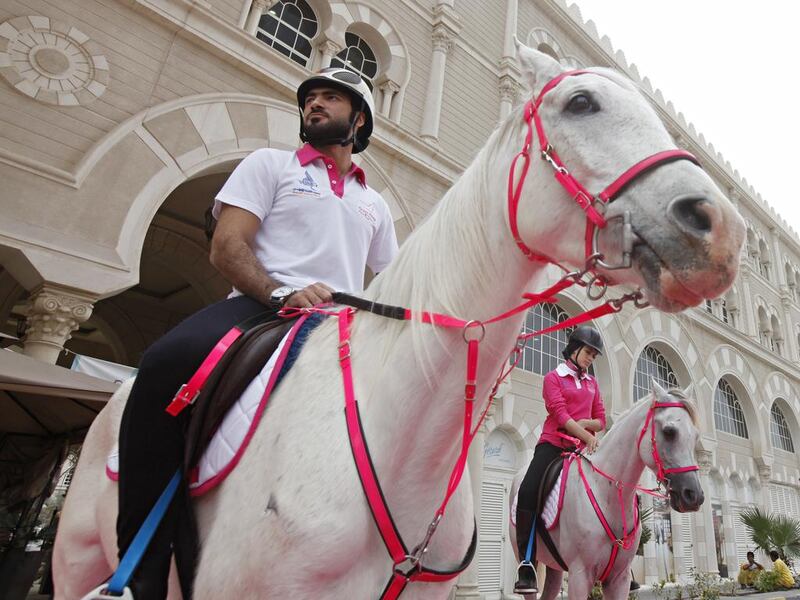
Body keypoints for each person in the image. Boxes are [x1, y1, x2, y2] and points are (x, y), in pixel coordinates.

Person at [115, 67, 399, 599]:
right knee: (161, 363)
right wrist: (278, 293)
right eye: (310, 98)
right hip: (260, 309)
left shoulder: (374, 204)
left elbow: (389, 280)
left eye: (330, 99)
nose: (314, 104)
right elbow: (228, 246)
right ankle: (138, 570)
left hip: (341, 328)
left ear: (358, 119)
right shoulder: (270, 165)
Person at [514, 326, 607, 595]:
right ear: (575, 349)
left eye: (594, 355)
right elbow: (560, 416)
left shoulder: (592, 383)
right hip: (553, 445)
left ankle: (616, 559)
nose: (591, 358)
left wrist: (588, 425)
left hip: (582, 450)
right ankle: (527, 563)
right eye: (588, 352)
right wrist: (586, 437)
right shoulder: (553, 378)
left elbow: (601, 419)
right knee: (528, 491)